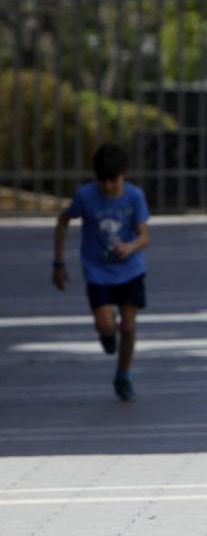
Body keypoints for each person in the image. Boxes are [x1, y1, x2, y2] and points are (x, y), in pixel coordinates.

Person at [52, 143, 151, 402]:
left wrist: (131, 247)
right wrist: (58, 262)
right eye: (103, 181)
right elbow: (63, 220)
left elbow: (144, 236)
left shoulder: (134, 196)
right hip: (98, 271)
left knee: (129, 326)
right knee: (107, 324)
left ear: (124, 175)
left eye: (114, 181)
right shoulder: (86, 196)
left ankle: (123, 374)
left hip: (130, 269)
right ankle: (106, 334)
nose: (109, 187)